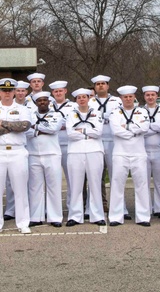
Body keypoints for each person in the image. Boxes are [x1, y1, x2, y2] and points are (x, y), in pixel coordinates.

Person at [0, 78, 33, 234]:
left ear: (14, 92)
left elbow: (25, 126)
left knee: (20, 189)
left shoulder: (22, 108)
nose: (7, 93)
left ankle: (23, 222)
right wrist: (12, 125)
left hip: (17, 151)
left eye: (10, 91)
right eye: (4, 91)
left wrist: (2, 123)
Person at [109, 85, 151, 226]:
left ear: (134, 97)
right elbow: (116, 130)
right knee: (117, 184)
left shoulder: (142, 111)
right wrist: (134, 130)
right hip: (120, 153)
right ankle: (116, 216)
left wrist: (125, 127)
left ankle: (143, 217)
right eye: (125, 97)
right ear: (121, 98)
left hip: (138, 153)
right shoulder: (115, 113)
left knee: (142, 184)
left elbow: (144, 127)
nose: (128, 99)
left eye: (130, 96)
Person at [65, 88, 105, 226]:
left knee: (95, 183)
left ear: (89, 98)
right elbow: (70, 134)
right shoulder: (71, 114)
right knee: (76, 185)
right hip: (75, 151)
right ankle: (75, 216)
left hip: (94, 150)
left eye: (84, 97)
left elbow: (99, 132)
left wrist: (81, 130)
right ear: (76, 100)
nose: (82, 99)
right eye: (79, 97)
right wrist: (89, 132)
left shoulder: (97, 113)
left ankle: (97, 215)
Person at [27, 91, 65, 227]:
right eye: (39, 100)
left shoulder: (56, 114)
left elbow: (54, 128)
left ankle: (55, 217)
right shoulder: (30, 115)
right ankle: (35, 217)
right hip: (33, 154)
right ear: (36, 103)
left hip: (52, 154)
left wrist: (35, 128)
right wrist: (41, 129)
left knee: (53, 186)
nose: (42, 102)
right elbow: (26, 131)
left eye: (44, 100)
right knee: (34, 187)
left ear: (49, 102)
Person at [91, 75, 121, 210]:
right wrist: (108, 117)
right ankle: (99, 205)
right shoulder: (90, 102)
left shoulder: (116, 101)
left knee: (115, 174)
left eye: (103, 83)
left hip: (113, 141)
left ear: (108, 86)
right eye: (98, 84)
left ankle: (118, 207)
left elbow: (120, 117)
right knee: (97, 175)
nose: (101, 86)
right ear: (95, 87)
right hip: (96, 140)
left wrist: (103, 117)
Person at [142, 85, 160, 219]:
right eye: (147, 95)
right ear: (144, 97)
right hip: (143, 150)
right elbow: (140, 129)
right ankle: (146, 208)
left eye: (152, 95)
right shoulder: (139, 111)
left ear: (157, 96)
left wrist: (147, 127)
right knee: (144, 181)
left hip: (159, 150)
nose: (150, 97)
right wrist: (156, 127)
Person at [49, 80, 75, 176]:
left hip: (68, 144)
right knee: (52, 174)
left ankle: (71, 192)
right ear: (52, 93)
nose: (58, 93)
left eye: (60, 91)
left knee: (70, 173)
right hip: (52, 144)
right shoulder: (48, 106)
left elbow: (74, 123)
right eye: (56, 91)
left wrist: (57, 124)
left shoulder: (74, 106)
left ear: (65, 91)